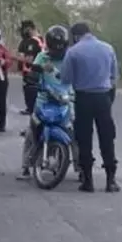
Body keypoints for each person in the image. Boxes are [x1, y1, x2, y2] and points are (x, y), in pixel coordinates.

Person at [60, 21, 119, 193]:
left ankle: (88, 180)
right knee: (107, 137)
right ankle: (111, 180)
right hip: (103, 98)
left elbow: (66, 79)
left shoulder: (73, 52)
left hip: (83, 98)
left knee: (84, 139)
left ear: (75, 36)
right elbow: (114, 76)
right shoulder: (108, 48)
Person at [19, 25, 75, 180]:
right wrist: (34, 77)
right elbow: (33, 74)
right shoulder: (42, 57)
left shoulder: (71, 59)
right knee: (32, 132)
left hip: (66, 101)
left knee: (75, 133)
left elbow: (78, 77)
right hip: (44, 100)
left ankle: (81, 167)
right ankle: (25, 165)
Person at [17, 19, 45, 115]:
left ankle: (31, 109)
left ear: (29, 29)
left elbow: (29, 59)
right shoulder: (41, 40)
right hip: (37, 71)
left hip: (31, 71)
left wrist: (15, 58)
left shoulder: (32, 41)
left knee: (30, 91)